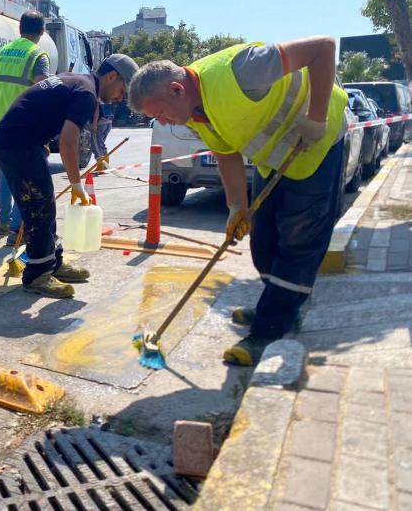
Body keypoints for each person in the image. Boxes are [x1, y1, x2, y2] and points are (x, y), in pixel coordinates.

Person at [127, 37, 347, 365]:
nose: (162, 122)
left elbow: (323, 48)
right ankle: (281, 303)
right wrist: (236, 208)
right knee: (263, 240)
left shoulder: (243, 69)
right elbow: (226, 154)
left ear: (176, 90)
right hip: (275, 158)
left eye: (159, 113)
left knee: (299, 242)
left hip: (318, 144)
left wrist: (316, 119)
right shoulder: (193, 112)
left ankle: (268, 330)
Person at [0, 54, 139, 298]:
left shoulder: (77, 81)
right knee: (39, 207)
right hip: (17, 144)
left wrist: (38, 135)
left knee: (44, 203)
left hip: (21, 141)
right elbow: (68, 141)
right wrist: (76, 184)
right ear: (112, 76)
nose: (119, 98)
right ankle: (37, 275)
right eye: (122, 91)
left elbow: (33, 104)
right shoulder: (87, 94)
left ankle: (53, 263)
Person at [0, 10, 51, 242]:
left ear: (20, 29)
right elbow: (41, 92)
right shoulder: (38, 55)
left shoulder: (2, 52)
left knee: (6, 176)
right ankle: (17, 230)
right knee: (26, 178)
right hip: (24, 125)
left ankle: (4, 222)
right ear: (42, 32)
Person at [92, 101, 115, 171]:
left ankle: (100, 166)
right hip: (108, 122)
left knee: (96, 145)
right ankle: (106, 165)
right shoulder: (107, 97)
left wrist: (94, 123)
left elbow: (96, 111)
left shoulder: (97, 97)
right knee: (101, 144)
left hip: (100, 123)